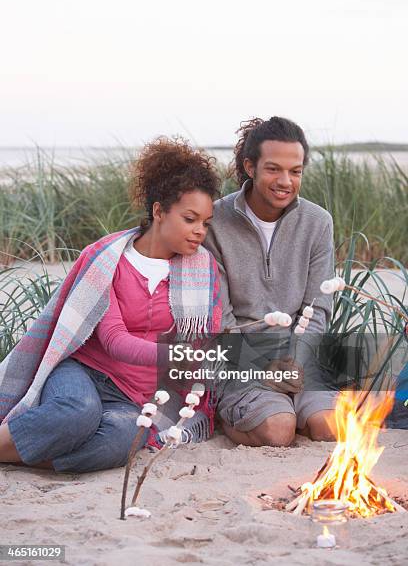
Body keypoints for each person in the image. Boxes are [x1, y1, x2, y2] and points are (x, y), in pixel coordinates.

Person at [0, 137, 222, 472]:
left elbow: (207, 340)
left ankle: (33, 449)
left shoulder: (204, 272)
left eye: (205, 223)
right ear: (159, 211)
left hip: (135, 396)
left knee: (121, 441)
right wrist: (175, 353)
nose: (199, 231)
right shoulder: (106, 259)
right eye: (190, 219)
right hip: (84, 372)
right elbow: (114, 340)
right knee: (77, 413)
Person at [204, 116, 337, 447]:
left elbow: (319, 306)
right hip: (240, 361)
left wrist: (298, 361)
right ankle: (227, 413)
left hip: (299, 360)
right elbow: (221, 317)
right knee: (279, 431)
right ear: (250, 167)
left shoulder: (318, 222)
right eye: (274, 169)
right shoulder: (215, 221)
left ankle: (293, 407)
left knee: (329, 427)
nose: (286, 181)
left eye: (296, 171)